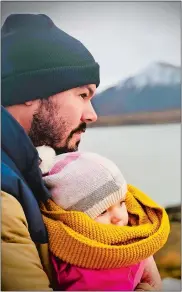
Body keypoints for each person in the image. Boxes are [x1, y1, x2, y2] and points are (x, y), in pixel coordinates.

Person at [1, 13, 99, 291]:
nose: (92, 115)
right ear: (29, 92)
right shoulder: (3, 195)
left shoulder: (17, 171)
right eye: (83, 95)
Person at [38, 146, 170, 291]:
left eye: (121, 203)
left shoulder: (136, 239)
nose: (118, 217)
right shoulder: (75, 259)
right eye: (102, 212)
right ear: (74, 220)